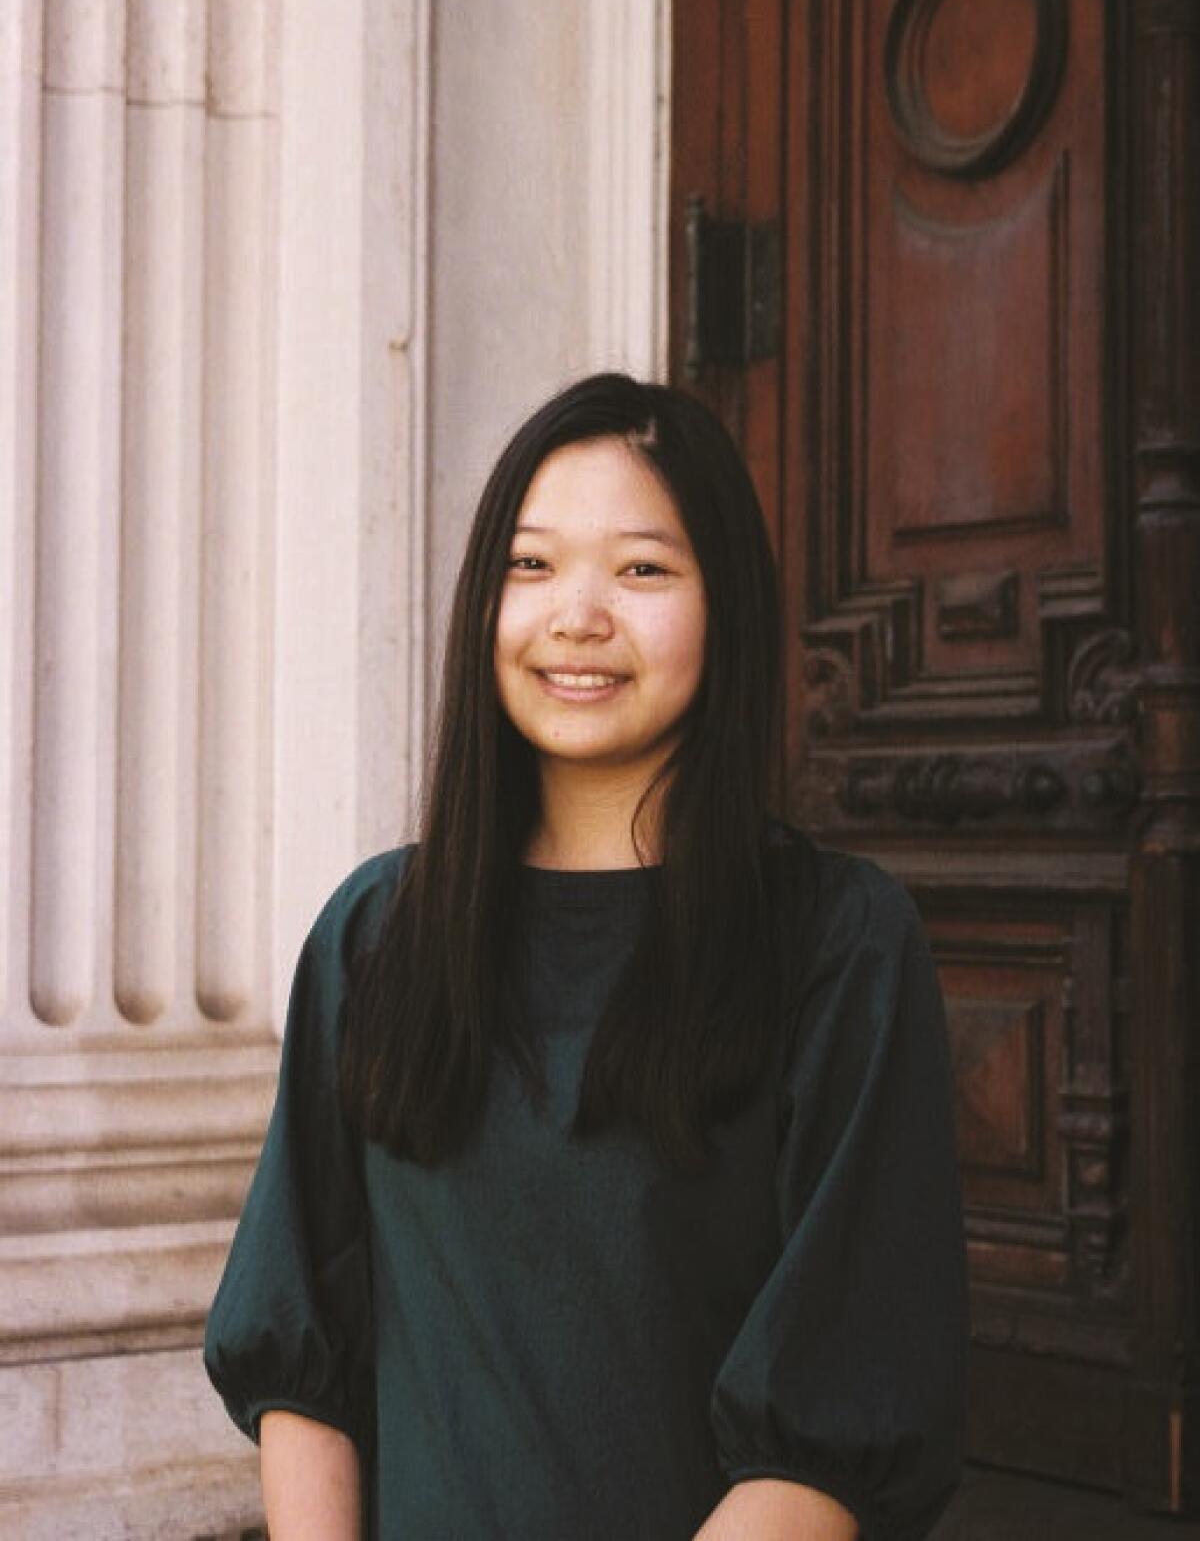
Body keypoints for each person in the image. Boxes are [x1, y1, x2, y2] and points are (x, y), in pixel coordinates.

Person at [204, 373, 967, 1540]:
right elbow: (302, 1353)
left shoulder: (837, 941)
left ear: (728, 604)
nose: (577, 613)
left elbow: (842, 1395)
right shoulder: (378, 932)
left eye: (643, 568)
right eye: (532, 563)